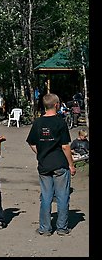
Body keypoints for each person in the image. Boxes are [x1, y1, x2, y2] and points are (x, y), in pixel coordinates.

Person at [26, 92, 76, 236]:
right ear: (56, 105)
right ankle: (61, 228)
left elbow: (31, 142)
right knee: (62, 196)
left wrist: (40, 153)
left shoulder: (38, 122)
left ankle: (45, 228)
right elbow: (65, 146)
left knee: (46, 197)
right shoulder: (60, 122)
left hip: (44, 164)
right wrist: (71, 165)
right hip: (60, 163)